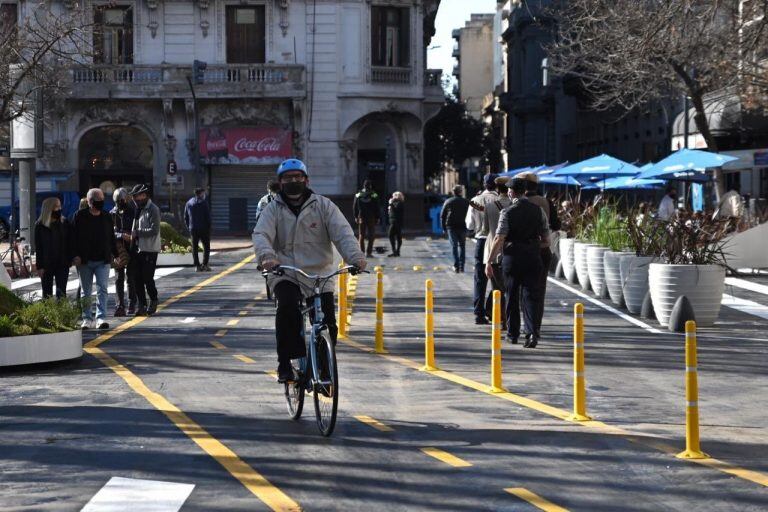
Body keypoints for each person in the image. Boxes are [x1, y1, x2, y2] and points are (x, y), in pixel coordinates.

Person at [252, 159, 367, 383]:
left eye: (298, 177)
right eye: (288, 178)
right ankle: (286, 364)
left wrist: (355, 258)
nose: (293, 181)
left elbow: (343, 233)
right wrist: (267, 257)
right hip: (285, 271)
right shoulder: (272, 209)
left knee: (328, 324)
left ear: (306, 180)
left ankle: (324, 371)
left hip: (320, 273)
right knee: (287, 309)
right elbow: (261, 235)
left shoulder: (324, 206)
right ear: (280, 182)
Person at [485, 178, 549, 348]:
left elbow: (499, 238)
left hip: (512, 258)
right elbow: (547, 241)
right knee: (531, 297)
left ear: (512, 192)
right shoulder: (539, 211)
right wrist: (532, 246)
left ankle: (513, 334)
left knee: (511, 295)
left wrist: (490, 261)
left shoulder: (507, 213)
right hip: (533, 258)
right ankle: (531, 333)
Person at [71, 188, 116, 330]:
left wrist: (116, 254)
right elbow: (72, 238)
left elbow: (111, 237)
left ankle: (101, 317)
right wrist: (75, 255)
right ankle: (87, 318)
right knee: (86, 291)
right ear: (90, 202)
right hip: (84, 260)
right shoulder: (79, 216)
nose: (101, 203)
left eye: (102, 200)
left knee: (102, 289)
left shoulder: (107, 216)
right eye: (98, 201)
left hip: (103, 260)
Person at [466, 174, 501, 324]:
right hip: (497, 242)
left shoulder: (475, 200)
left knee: (480, 279)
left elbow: (469, 225)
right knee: (498, 280)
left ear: (484, 184)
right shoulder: (500, 201)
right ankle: (493, 310)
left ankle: (478, 313)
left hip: (481, 241)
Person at [523, 173, 553, 341]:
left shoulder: (519, 203)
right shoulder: (546, 202)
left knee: (524, 290)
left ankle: (527, 325)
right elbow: (555, 224)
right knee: (539, 290)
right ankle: (536, 326)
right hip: (542, 250)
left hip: (525, 250)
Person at [130, 184, 161, 316]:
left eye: (137, 196)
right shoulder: (138, 209)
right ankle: (141, 305)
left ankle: (153, 300)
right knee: (137, 279)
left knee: (147, 278)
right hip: (137, 249)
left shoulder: (153, 209)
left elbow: (154, 230)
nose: (135, 199)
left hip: (150, 249)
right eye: (134, 196)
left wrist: (138, 233)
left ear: (144, 195)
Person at [34, 197, 71, 299]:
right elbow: (39, 247)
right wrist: (39, 266)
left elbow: (69, 242)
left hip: (62, 263)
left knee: (62, 292)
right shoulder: (40, 226)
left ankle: (61, 314)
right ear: (49, 208)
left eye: (60, 206)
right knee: (47, 294)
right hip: (46, 265)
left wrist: (70, 259)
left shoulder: (64, 223)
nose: (59, 209)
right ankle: (48, 314)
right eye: (56, 207)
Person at [111, 188, 137, 316]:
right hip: (118, 248)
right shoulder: (112, 213)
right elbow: (110, 232)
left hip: (131, 247)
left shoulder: (133, 212)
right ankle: (120, 305)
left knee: (131, 277)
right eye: (118, 200)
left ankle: (132, 302)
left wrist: (132, 235)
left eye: (122, 200)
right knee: (118, 278)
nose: (120, 202)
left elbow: (137, 228)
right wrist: (121, 234)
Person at [441, 185, 470, 273]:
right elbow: (470, 215)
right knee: (462, 246)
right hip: (463, 226)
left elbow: (442, 216)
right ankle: (462, 266)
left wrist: (443, 228)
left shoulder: (448, 201)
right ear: (461, 192)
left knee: (454, 246)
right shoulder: (466, 202)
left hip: (451, 226)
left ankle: (456, 266)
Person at [184, 187, 212, 272]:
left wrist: (189, 226)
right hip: (203, 228)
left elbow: (185, 216)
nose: (204, 195)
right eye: (203, 193)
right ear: (200, 194)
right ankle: (205, 265)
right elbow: (208, 217)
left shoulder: (189, 203)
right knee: (206, 247)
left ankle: (197, 266)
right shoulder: (204, 203)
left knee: (194, 247)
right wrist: (209, 227)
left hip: (193, 228)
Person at [353, 180, 380, 257]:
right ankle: (369, 252)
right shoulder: (374, 195)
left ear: (364, 186)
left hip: (361, 217)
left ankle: (362, 252)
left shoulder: (358, 195)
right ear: (370, 186)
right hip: (371, 217)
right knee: (371, 235)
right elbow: (377, 207)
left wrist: (356, 216)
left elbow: (354, 206)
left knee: (361, 235)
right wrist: (377, 217)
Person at [387, 191, 405, 257]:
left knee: (391, 235)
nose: (392, 197)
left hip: (396, 221)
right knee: (397, 236)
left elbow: (395, 210)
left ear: (398, 196)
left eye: (394, 196)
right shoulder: (394, 202)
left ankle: (396, 251)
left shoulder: (400, 203)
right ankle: (396, 251)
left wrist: (391, 204)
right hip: (393, 221)